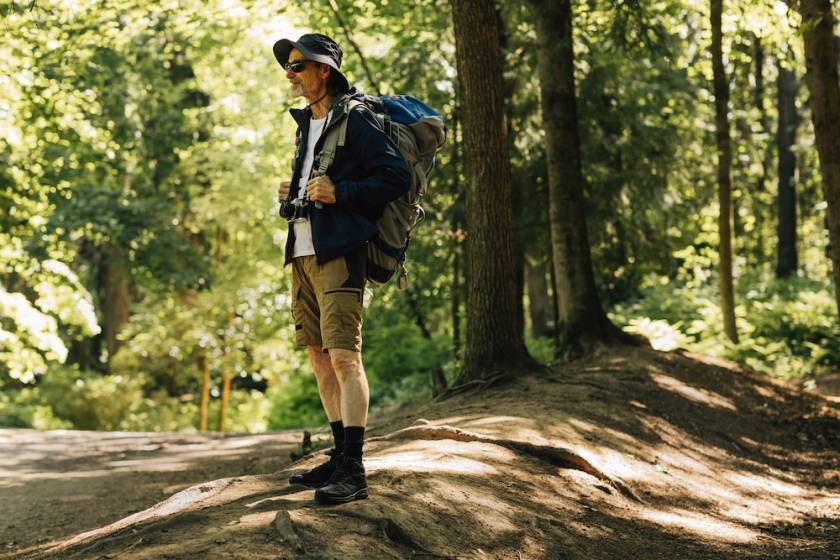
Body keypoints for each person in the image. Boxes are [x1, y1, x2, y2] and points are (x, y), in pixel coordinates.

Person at [273, 33, 410, 505]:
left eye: (298, 66)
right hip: (303, 252)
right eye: (288, 66)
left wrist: (340, 193)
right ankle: (337, 454)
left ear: (323, 70)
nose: (289, 73)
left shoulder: (355, 120)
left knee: (345, 355)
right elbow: (316, 183)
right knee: (317, 354)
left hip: (340, 252)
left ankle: (354, 467)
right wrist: (292, 196)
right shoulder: (305, 124)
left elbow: (396, 176)